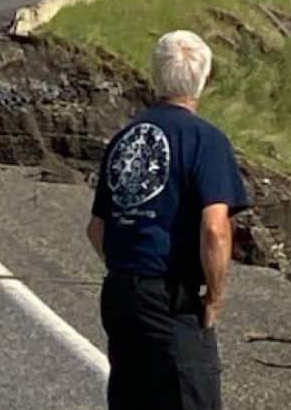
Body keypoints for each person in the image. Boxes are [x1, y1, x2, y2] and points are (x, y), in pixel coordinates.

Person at [88, 31, 251, 410]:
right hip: (170, 296)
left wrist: (128, 268)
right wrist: (214, 295)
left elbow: (97, 228)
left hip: (122, 291)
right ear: (202, 80)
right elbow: (214, 227)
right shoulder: (205, 140)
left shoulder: (125, 137)